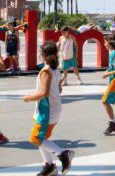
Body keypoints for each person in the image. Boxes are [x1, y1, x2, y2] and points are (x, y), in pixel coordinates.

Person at [23, 42, 74, 176]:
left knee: (36, 138)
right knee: (43, 138)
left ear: (43, 55)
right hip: (54, 108)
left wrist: (28, 97)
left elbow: (44, 93)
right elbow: (58, 88)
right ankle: (49, 166)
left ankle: (64, 154)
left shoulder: (46, 71)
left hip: (47, 110)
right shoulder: (55, 69)